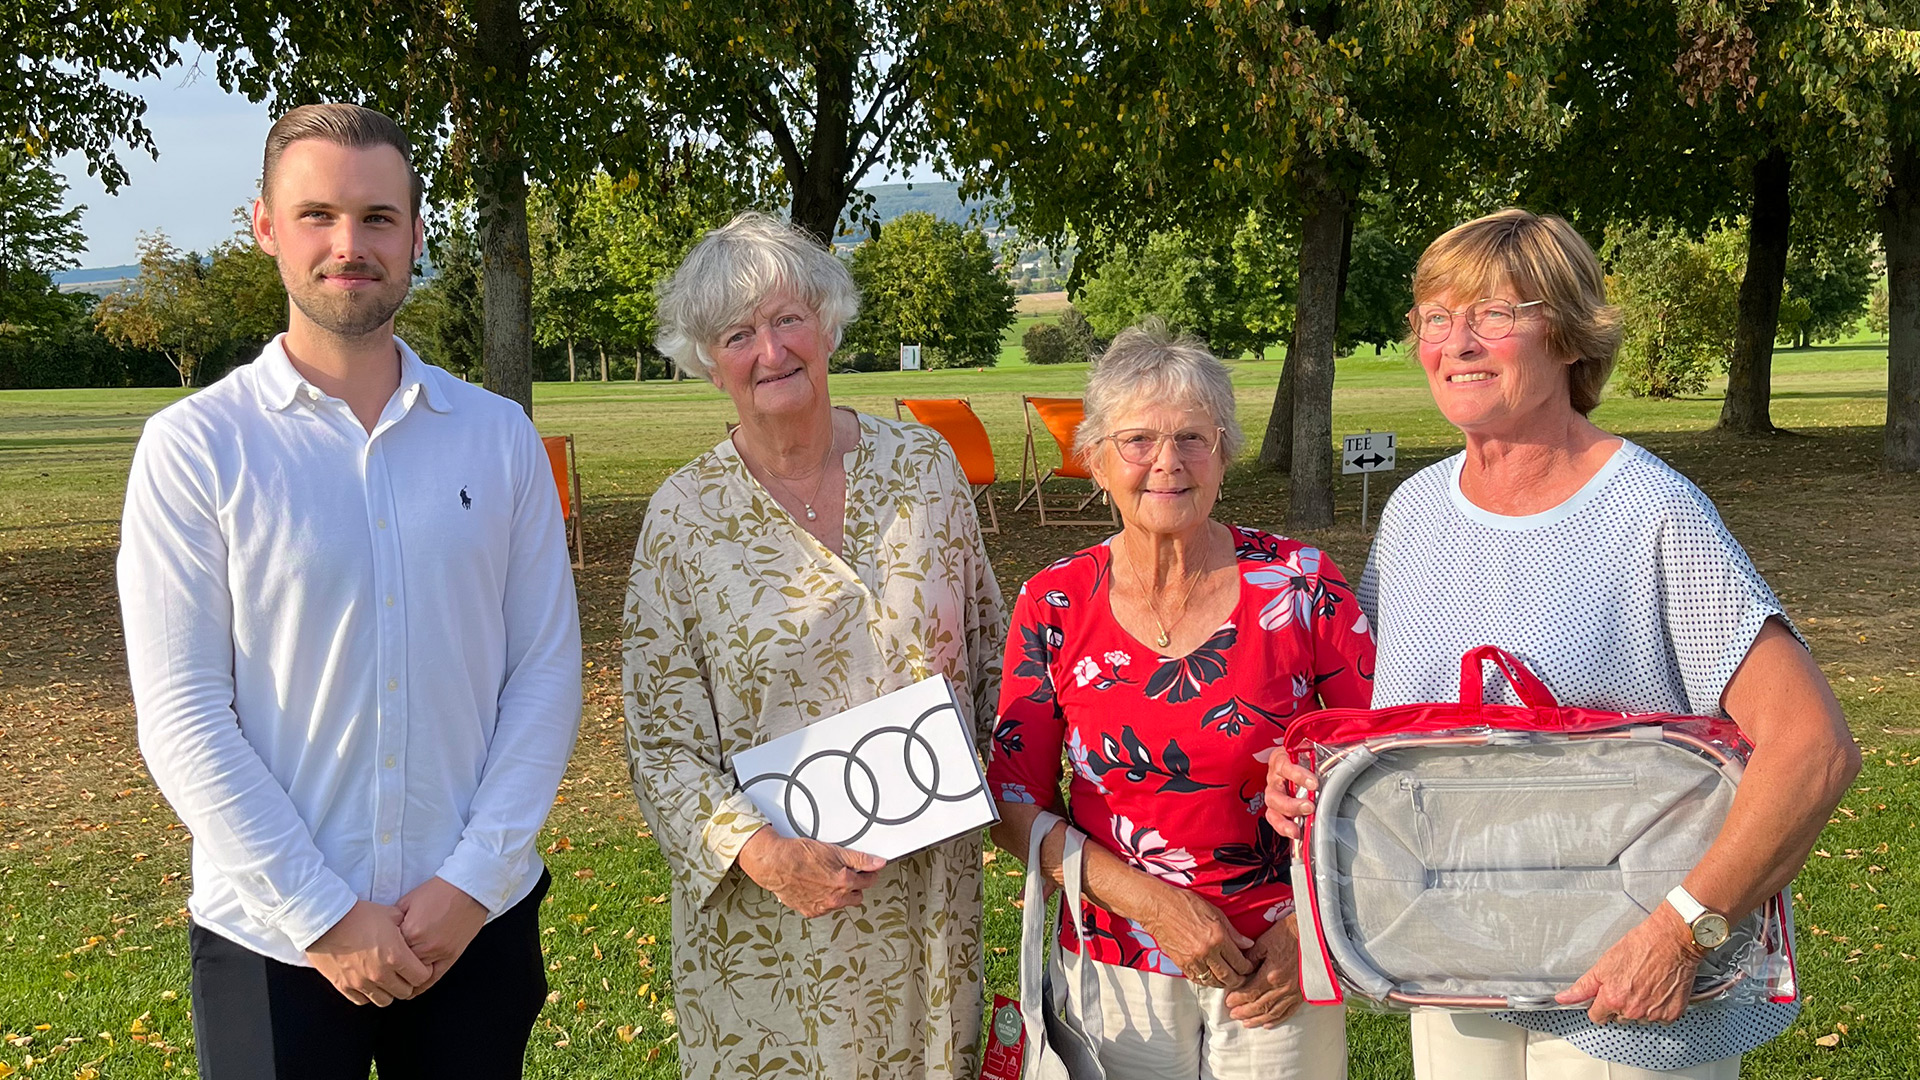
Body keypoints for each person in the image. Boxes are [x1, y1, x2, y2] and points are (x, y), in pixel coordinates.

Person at [1265, 208, 1861, 1080]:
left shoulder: (1650, 510)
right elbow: (1394, 735)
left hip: (1624, 988)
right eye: (1437, 317)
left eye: (1496, 314)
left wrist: (1682, 933)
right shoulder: (1416, 515)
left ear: (1571, 337)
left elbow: (1815, 749)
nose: (1459, 342)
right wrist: (1313, 779)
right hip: (1452, 964)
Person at [118, 103, 582, 1079]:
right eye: (318, 213)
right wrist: (323, 913)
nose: (349, 243)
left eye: (378, 217)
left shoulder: (496, 440)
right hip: (269, 936)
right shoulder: (195, 449)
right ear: (266, 227)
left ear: (416, 234)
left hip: (473, 924)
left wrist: (471, 884)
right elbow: (183, 711)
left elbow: (542, 673)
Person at [621, 211, 1005, 1080]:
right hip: (773, 921)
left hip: (925, 905)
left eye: (787, 319)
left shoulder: (925, 468)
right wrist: (765, 856)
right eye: (738, 333)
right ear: (707, 361)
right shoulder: (682, 519)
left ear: (827, 323)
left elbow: (991, 656)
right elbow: (660, 745)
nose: (771, 350)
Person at [987, 322, 1373, 1080]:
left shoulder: (1302, 584)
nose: (1167, 463)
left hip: (1280, 962)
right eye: (1137, 441)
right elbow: (1012, 804)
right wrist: (1154, 905)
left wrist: (1311, 930)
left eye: (1193, 438)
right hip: (1116, 959)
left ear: (1225, 453)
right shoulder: (1054, 603)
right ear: (1095, 460)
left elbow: (1379, 773)